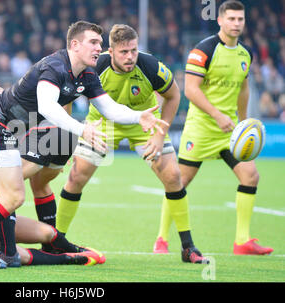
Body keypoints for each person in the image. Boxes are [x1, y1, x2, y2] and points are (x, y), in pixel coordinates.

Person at [0, 21, 169, 273]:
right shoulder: (54, 67)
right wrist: (83, 128)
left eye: (100, 42)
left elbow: (109, 108)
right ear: (75, 44)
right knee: (12, 196)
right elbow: (48, 107)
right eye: (94, 42)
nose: (100, 48)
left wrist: (138, 116)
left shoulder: (87, 76)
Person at [55, 24, 208, 264]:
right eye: (124, 52)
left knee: (173, 176)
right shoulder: (95, 65)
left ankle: (188, 247)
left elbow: (174, 95)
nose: (130, 57)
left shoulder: (151, 67)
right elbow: (66, 98)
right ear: (111, 51)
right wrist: (66, 139)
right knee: (76, 178)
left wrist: (160, 134)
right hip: (103, 123)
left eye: (133, 51)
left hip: (143, 123)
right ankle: (57, 241)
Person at [171, 0, 272, 255]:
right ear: (220, 20)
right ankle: (161, 238)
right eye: (232, 19)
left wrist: (243, 122)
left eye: (240, 19)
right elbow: (190, 90)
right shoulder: (203, 50)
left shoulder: (245, 53)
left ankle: (242, 241)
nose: (236, 23)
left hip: (229, 131)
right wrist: (217, 115)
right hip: (202, 128)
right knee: (179, 181)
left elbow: (244, 89)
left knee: (250, 176)